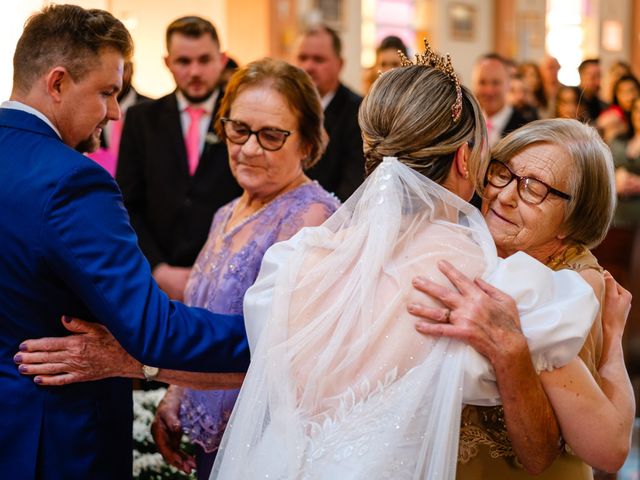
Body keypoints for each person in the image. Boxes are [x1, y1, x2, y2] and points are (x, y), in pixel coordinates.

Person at [208, 45, 625, 479]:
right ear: (466, 159)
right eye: (497, 169)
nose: (502, 192)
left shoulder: (296, 260)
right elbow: (589, 447)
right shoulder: (492, 285)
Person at [16, 57, 340, 479]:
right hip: (211, 439)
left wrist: (139, 364)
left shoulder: (310, 219)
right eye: (238, 129)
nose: (248, 148)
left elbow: (284, 356)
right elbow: (204, 317)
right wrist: (176, 395)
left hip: (264, 440)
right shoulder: (228, 211)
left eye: (272, 136)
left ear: (308, 143)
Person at [0, 5, 253, 480]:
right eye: (107, 93)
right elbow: (154, 330)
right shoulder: (72, 181)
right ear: (57, 83)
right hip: (56, 440)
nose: (116, 112)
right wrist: (273, 332)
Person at [411, 119, 634, 478]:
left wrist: (612, 348)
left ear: (573, 219)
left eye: (534, 189)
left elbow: (608, 448)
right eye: (503, 173)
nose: (505, 195)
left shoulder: (572, 286)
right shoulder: (471, 237)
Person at [116, 16, 242, 301]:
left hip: (226, 279)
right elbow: (127, 203)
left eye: (204, 60)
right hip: (157, 281)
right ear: (168, 62)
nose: (195, 71)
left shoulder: (242, 118)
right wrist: (158, 269)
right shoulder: (141, 119)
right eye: (184, 61)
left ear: (221, 60)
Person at [295, 24, 365, 201]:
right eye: (303, 58)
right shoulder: (288, 105)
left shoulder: (358, 111)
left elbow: (353, 183)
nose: (308, 66)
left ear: (340, 64)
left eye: (318, 59)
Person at [87, 60, 150, 176]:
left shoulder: (152, 112)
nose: (116, 76)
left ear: (130, 69)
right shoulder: (88, 108)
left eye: (122, 68)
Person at [472, 53, 530, 148]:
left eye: (495, 83)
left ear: (508, 84)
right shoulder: (467, 124)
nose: (489, 91)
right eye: (482, 82)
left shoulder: (524, 129)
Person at [608, 96, 640, 228]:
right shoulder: (618, 139)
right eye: (637, 110)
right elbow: (603, 170)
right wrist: (614, 179)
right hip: (617, 216)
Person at [597, 74, 640, 143]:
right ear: (616, 95)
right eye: (623, 92)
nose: (629, 96)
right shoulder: (612, 117)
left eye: (632, 90)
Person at [579, 58, 609, 123]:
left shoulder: (603, 106)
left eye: (599, 76)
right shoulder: (572, 101)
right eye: (593, 77)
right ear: (581, 76)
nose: (598, 82)